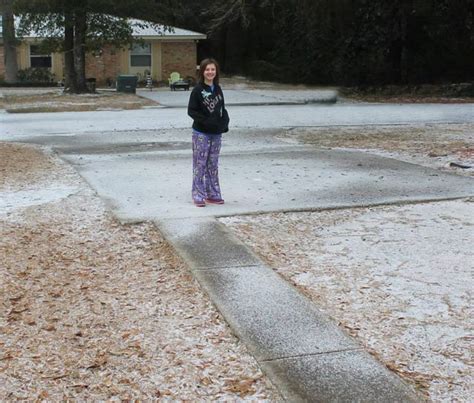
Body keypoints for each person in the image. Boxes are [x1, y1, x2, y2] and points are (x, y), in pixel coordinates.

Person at [187, 58, 230, 207]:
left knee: (213, 164)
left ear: (216, 71)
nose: (210, 72)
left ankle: (212, 193)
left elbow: (221, 109)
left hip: (216, 134)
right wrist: (206, 122)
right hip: (201, 133)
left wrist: (224, 122)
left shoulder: (217, 89)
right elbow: (191, 111)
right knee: (200, 164)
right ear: (202, 72)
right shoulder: (197, 91)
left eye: (212, 69)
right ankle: (198, 195)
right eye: (207, 69)